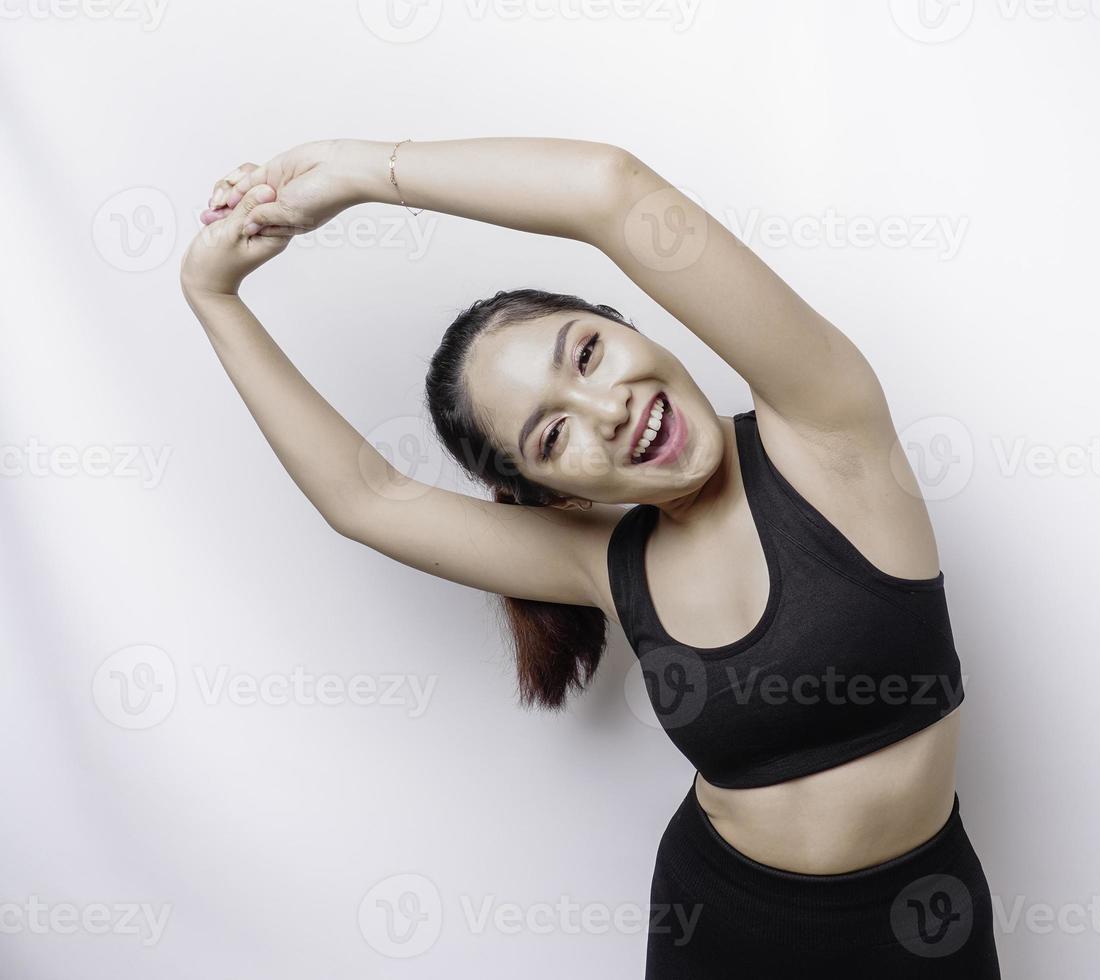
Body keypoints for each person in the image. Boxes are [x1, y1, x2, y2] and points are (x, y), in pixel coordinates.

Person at [181, 137, 1002, 978]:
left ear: (628, 322)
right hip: (722, 929)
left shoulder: (828, 426)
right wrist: (213, 295)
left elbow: (608, 190)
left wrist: (362, 173)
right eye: (553, 432)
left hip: (923, 927)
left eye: (586, 353)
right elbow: (364, 499)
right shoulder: (604, 564)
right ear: (553, 495)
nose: (604, 408)